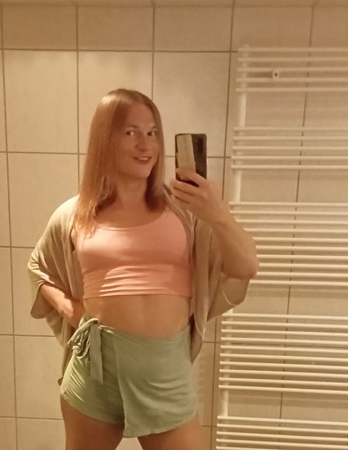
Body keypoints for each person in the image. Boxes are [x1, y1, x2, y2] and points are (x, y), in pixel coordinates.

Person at [28, 88, 258, 450]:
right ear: (105, 139)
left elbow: (246, 265)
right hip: (94, 373)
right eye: (131, 132)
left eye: (152, 133)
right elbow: (39, 269)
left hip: (164, 374)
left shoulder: (185, 211)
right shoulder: (74, 214)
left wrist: (216, 213)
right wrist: (72, 310)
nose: (145, 145)